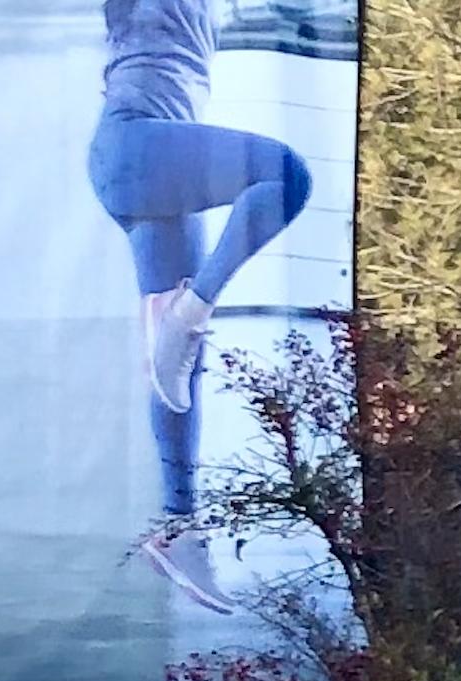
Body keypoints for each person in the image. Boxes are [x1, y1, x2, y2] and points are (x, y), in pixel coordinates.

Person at [91, 0, 316, 612]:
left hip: (157, 172)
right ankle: (191, 312)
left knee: (178, 366)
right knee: (285, 176)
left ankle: (178, 526)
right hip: (132, 147)